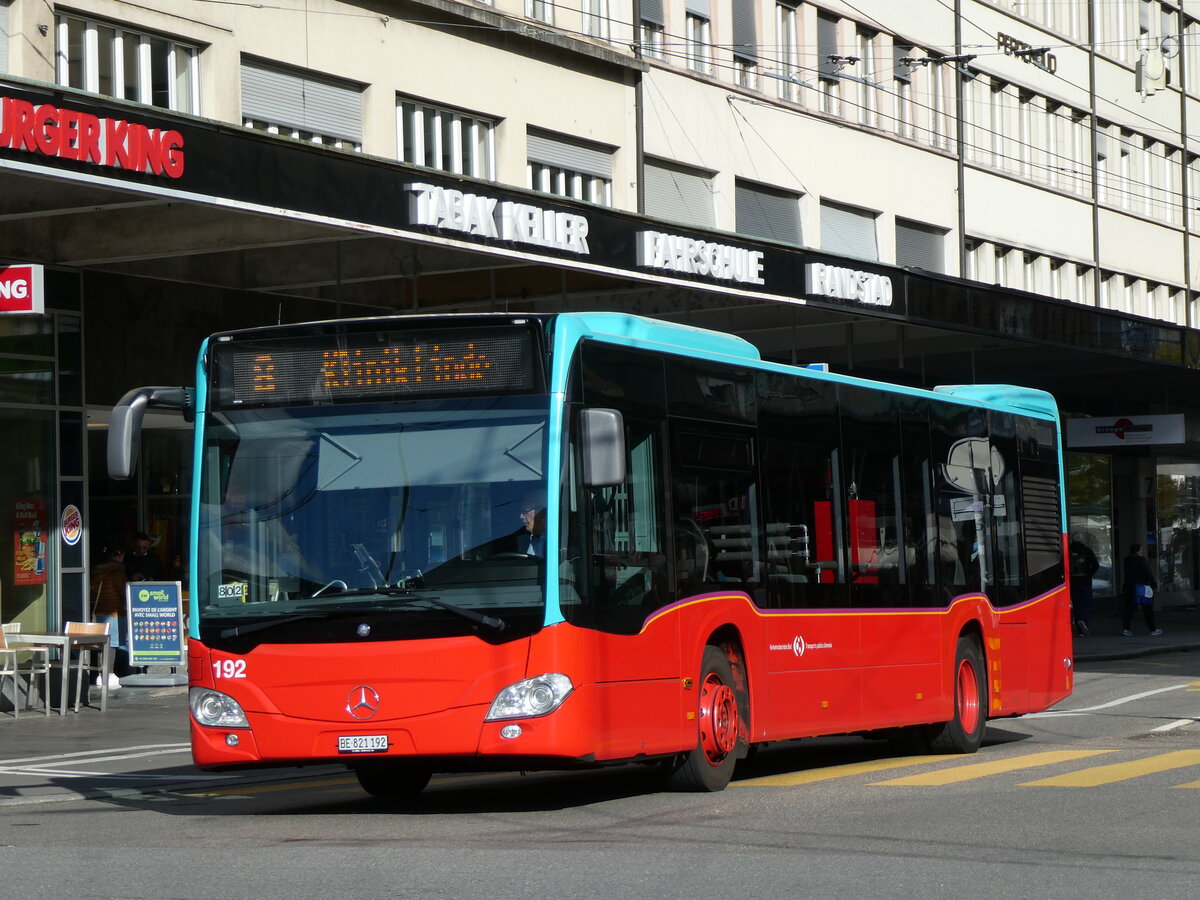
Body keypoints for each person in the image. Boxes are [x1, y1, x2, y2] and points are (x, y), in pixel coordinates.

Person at [90, 545, 130, 683]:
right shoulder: (118, 573)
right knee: (113, 643)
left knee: (104, 644)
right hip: (115, 611)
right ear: (118, 556)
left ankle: (101, 674)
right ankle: (109, 673)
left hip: (100, 611)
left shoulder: (97, 572)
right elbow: (123, 592)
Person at [1120, 543, 1161, 637]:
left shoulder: (1127, 560)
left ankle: (1126, 629)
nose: (1142, 551)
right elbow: (1147, 572)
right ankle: (1153, 629)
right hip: (1142, 587)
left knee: (1128, 609)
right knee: (1148, 609)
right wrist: (1153, 583)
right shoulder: (1141, 560)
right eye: (1141, 550)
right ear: (1137, 551)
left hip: (1129, 587)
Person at [1068, 532, 1100, 636]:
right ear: (1082, 540)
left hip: (1072, 582)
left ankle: (1078, 624)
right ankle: (1083, 622)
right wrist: (1089, 575)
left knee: (1076, 605)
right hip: (1085, 582)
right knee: (1085, 604)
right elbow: (1096, 565)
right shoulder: (1087, 550)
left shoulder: (1067, 550)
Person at [518, 492, 547, 558]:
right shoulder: (524, 542)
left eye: (525, 511)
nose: (521, 516)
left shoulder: (557, 541)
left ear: (542, 513)